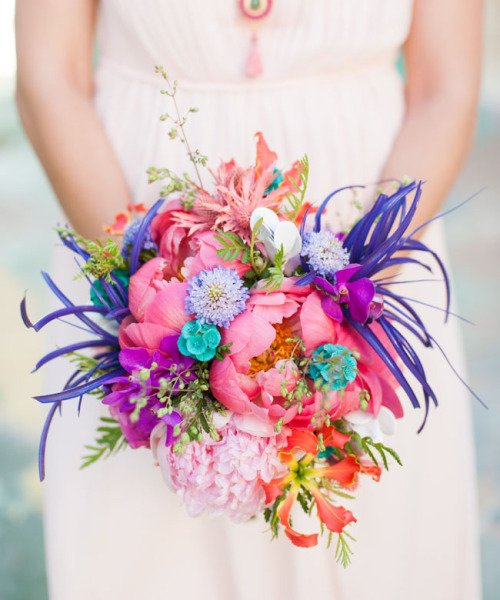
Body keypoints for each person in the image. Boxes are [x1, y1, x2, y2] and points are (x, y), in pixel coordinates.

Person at [15, 1, 482, 599]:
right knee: (150, 560)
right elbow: (48, 79)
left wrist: (348, 300)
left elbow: (445, 87)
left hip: (373, 245)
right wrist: (152, 296)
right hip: (131, 216)